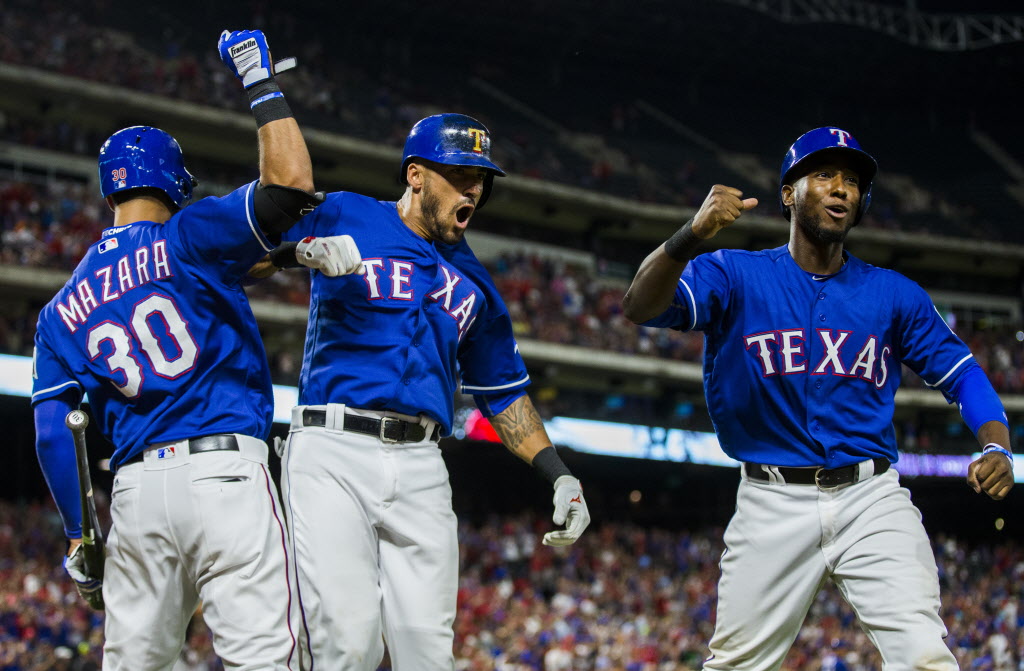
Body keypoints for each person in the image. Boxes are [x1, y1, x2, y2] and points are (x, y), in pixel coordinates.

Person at [622, 126, 1014, 670]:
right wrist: (689, 235)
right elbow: (640, 305)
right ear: (789, 193)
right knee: (735, 664)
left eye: (852, 181)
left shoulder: (894, 293)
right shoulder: (735, 273)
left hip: (870, 497)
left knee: (925, 656)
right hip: (771, 501)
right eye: (824, 174)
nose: (841, 189)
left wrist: (996, 446)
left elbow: (963, 375)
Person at [31, 29, 361, 669]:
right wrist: (259, 81)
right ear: (173, 178)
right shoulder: (191, 233)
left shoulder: (60, 307)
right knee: (265, 660)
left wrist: (80, 536)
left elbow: (51, 431)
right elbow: (291, 185)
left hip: (133, 496)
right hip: (224, 475)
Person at [270, 113, 591, 670]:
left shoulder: (478, 284)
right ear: (415, 175)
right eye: (461, 174)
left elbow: (503, 395)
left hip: (421, 460)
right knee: (348, 645)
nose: (476, 189)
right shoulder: (346, 213)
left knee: (428, 651)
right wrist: (292, 254)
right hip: (331, 448)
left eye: (482, 179)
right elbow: (240, 250)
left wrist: (557, 472)